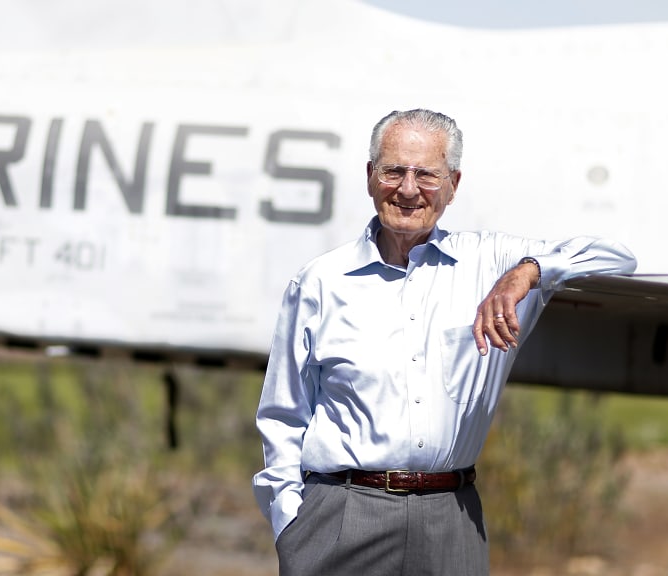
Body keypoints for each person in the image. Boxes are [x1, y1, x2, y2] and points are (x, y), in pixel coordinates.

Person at [252, 109, 636, 575]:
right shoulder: (319, 282)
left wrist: (528, 272)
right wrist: (292, 522)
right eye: (394, 170)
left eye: (427, 175)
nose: (408, 189)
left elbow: (616, 257)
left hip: (450, 516)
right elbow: (283, 415)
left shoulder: (492, 262)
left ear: (453, 184)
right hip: (341, 514)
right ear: (370, 177)